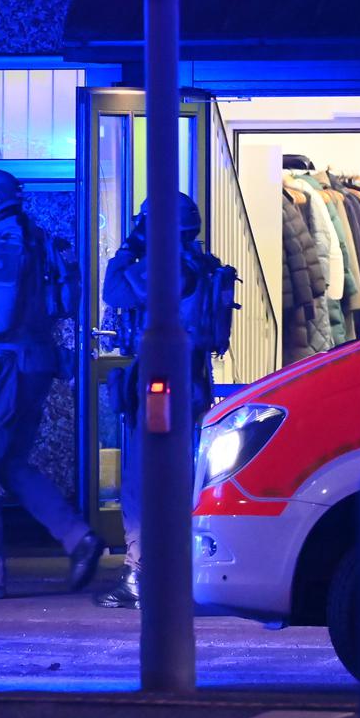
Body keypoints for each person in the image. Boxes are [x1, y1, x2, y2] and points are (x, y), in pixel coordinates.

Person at [0, 168, 105, 599]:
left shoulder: (4, 247)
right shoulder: (32, 238)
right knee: (10, 463)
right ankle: (78, 538)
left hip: (7, 371)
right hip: (31, 366)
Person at [95, 193, 222, 610]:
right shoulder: (196, 263)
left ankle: (141, 573)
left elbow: (114, 291)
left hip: (160, 379)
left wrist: (128, 248)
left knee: (139, 483)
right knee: (182, 477)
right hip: (189, 380)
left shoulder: (164, 266)